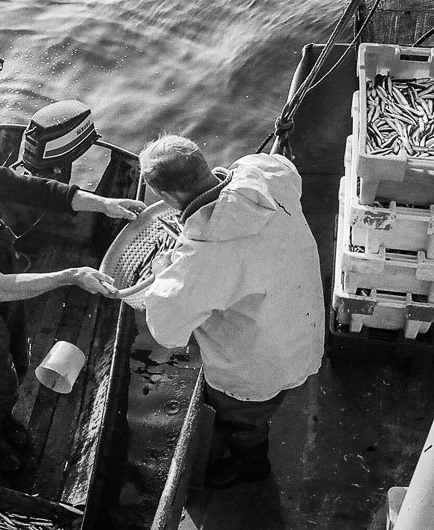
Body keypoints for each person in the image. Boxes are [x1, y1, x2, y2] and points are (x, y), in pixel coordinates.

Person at [0, 122, 145, 473]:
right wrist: (70, 276)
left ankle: (3, 418)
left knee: (18, 358)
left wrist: (106, 204)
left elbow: (41, 189)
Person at [139, 134, 324, 488]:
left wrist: (164, 270)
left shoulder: (201, 257)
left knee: (243, 421)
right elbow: (288, 170)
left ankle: (252, 467)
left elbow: (166, 328)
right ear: (204, 164)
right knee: (279, 385)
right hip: (303, 320)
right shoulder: (265, 172)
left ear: (167, 198)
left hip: (258, 367)